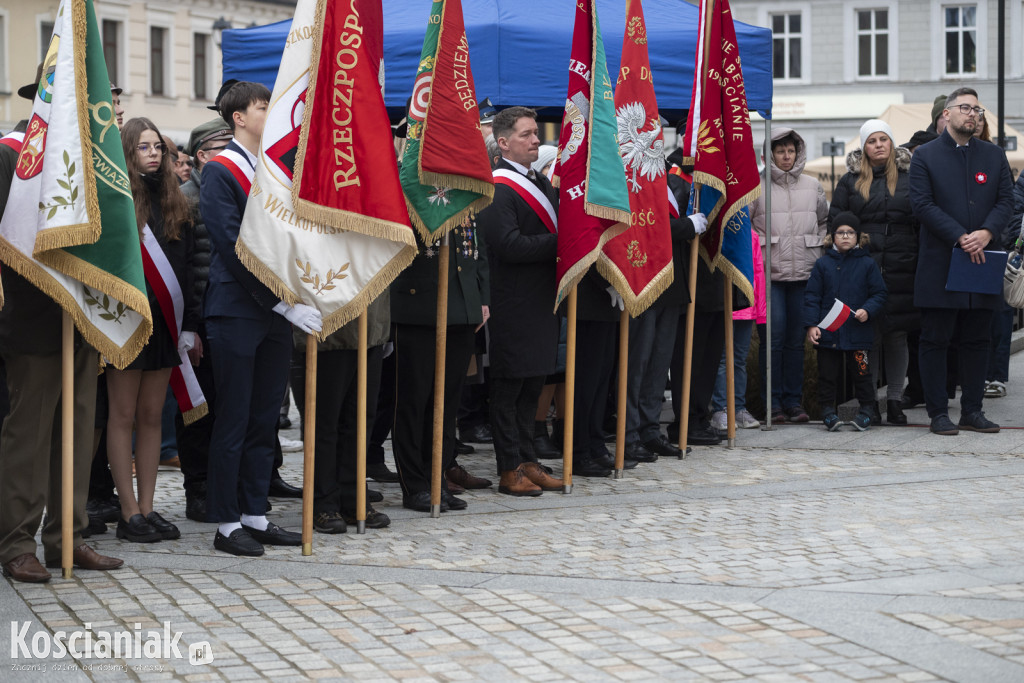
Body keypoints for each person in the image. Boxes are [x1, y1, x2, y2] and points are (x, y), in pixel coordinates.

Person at [0, 66, 122, 582]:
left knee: (77, 431)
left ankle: (67, 537)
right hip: (31, 319)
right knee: (29, 436)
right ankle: (16, 543)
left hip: (82, 315)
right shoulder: (9, 154)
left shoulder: (93, 164)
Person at [199, 81, 321, 555]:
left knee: (265, 416)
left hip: (276, 311)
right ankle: (226, 522)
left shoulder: (272, 171)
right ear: (239, 118)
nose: (269, 112)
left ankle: (254, 511)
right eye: (262, 106)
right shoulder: (220, 172)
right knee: (234, 416)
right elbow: (232, 245)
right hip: (237, 309)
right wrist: (282, 302)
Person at [105, 118, 197, 543]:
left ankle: (148, 507)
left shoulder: (175, 201)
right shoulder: (117, 201)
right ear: (128, 152)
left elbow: (186, 268)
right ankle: (127, 513)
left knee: (152, 417)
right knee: (123, 416)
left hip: (166, 324)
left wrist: (189, 326)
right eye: (144, 147)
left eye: (158, 146)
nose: (154, 153)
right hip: (127, 322)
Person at [908, 87, 1014, 436]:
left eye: (977, 109)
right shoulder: (924, 156)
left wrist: (985, 232)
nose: (972, 114)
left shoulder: (994, 155)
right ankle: (939, 412)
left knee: (977, 339)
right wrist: (960, 235)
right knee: (936, 338)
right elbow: (922, 205)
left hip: (983, 259)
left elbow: (1006, 201)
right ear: (947, 114)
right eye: (965, 108)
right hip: (941, 260)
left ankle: (972, 410)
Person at [476, 106, 566, 493]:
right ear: (503, 142)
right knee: (510, 389)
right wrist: (562, 246)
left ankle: (529, 460)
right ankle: (508, 466)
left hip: (542, 299)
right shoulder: (498, 188)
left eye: (535, 134)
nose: (536, 141)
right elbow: (509, 246)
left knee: (534, 386)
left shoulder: (542, 183)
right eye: (527, 135)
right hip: (511, 303)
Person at [391, 214, 492, 512]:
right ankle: (415, 486)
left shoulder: (466, 186)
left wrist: (481, 297)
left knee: (447, 404)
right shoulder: (409, 177)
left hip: (462, 306)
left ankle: (437, 478)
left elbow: (478, 247)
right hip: (418, 305)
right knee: (413, 402)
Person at [829, 119, 918, 425]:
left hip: (903, 264)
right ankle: (871, 401)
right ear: (864, 147)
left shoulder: (911, 176)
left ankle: (894, 400)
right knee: (868, 336)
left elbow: (921, 218)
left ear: (892, 144)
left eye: (884, 139)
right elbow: (837, 221)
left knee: (897, 335)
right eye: (872, 140)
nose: (879, 144)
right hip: (863, 267)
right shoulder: (850, 181)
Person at [752, 128, 828, 424]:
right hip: (770, 275)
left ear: (798, 153)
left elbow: (823, 221)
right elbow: (747, 227)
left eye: (790, 151)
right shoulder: (756, 186)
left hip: (804, 275)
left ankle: (794, 403)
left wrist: (815, 248)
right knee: (772, 340)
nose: (786, 156)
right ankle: (771, 403)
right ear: (770, 154)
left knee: (797, 341)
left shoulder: (813, 185)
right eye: (780, 151)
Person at [804, 213, 887, 431]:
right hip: (828, 333)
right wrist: (812, 325)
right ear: (833, 237)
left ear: (859, 237)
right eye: (841, 233)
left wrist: (867, 310)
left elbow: (879, 293)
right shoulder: (822, 264)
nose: (845, 236)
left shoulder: (868, 264)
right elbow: (812, 296)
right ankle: (827, 411)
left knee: (862, 372)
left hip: (858, 333)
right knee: (827, 375)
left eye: (850, 233)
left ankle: (867, 409)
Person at [709, 230, 766, 432]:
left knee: (739, 359)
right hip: (722, 304)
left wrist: (759, 308)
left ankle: (738, 407)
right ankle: (721, 408)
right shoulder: (717, 230)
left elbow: (758, 271)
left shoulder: (751, 236)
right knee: (723, 359)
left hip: (746, 306)